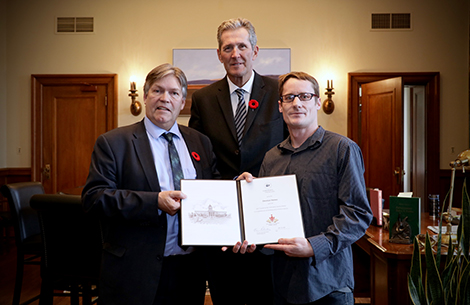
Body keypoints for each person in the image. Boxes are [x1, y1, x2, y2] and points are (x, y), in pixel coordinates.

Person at [82, 63, 220, 305]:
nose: (165, 98)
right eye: (157, 91)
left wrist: (240, 188)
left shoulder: (201, 142)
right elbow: (94, 198)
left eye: (174, 93)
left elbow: (216, 191)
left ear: (182, 101)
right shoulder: (114, 143)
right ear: (145, 96)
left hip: (190, 270)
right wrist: (153, 201)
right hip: (135, 271)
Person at [238, 71, 373, 305]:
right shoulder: (271, 158)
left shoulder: (343, 149)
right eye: (289, 98)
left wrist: (314, 246)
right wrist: (249, 224)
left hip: (329, 284)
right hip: (282, 284)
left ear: (318, 102)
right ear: (280, 106)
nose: (296, 103)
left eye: (305, 96)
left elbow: (358, 214)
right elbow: (265, 218)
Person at [189, 17, 287, 304]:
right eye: (228, 47)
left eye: (242, 46)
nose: (235, 54)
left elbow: (287, 149)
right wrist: (230, 183)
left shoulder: (279, 93)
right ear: (219, 54)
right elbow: (199, 158)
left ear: (255, 51)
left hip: (270, 220)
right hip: (223, 222)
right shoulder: (204, 99)